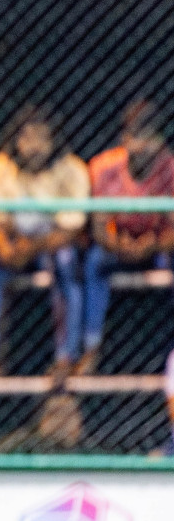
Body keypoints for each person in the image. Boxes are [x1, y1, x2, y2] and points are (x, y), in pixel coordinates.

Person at [0, 106, 90, 378]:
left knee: (67, 264)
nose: (35, 147)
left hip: (52, 244)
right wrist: (5, 248)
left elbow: (71, 228)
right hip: (14, 244)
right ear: (15, 140)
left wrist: (34, 246)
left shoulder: (72, 169)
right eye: (27, 138)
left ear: (54, 141)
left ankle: (66, 358)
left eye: (42, 138)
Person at [81, 100, 174, 374]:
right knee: (93, 263)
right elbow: (98, 229)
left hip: (156, 246)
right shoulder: (103, 168)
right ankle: (90, 348)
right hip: (115, 244)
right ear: (125, 139)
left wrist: (152, 245)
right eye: (136, 136)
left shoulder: (170, 168)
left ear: (160, 141)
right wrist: (120, 246)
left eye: (150, 137)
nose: (143, 145)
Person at [0, 391, 87, 455]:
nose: (62, 422)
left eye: (69, 414)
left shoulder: (90, 452)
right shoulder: (19, 444)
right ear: (41, 419)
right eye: (55, 414)